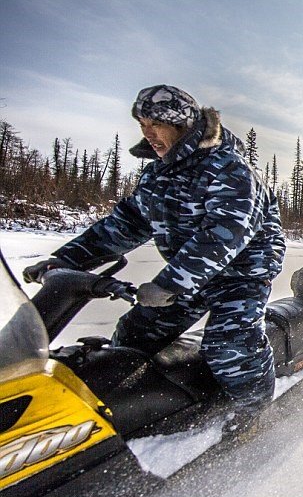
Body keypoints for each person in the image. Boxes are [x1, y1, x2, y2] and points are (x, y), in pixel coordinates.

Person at [23, 84, 286, 420]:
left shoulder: (230, 170)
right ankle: (147, 412)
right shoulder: (157, 176)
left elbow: (223, 236)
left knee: (230, 345)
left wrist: (171, 284)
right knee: (134, 333)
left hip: (242, 275)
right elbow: (123, 225)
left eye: (157, 125)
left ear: (182, 126)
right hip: (188, 277)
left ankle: (257, 415)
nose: (149, 134)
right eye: (143, 125)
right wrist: (65, 260)